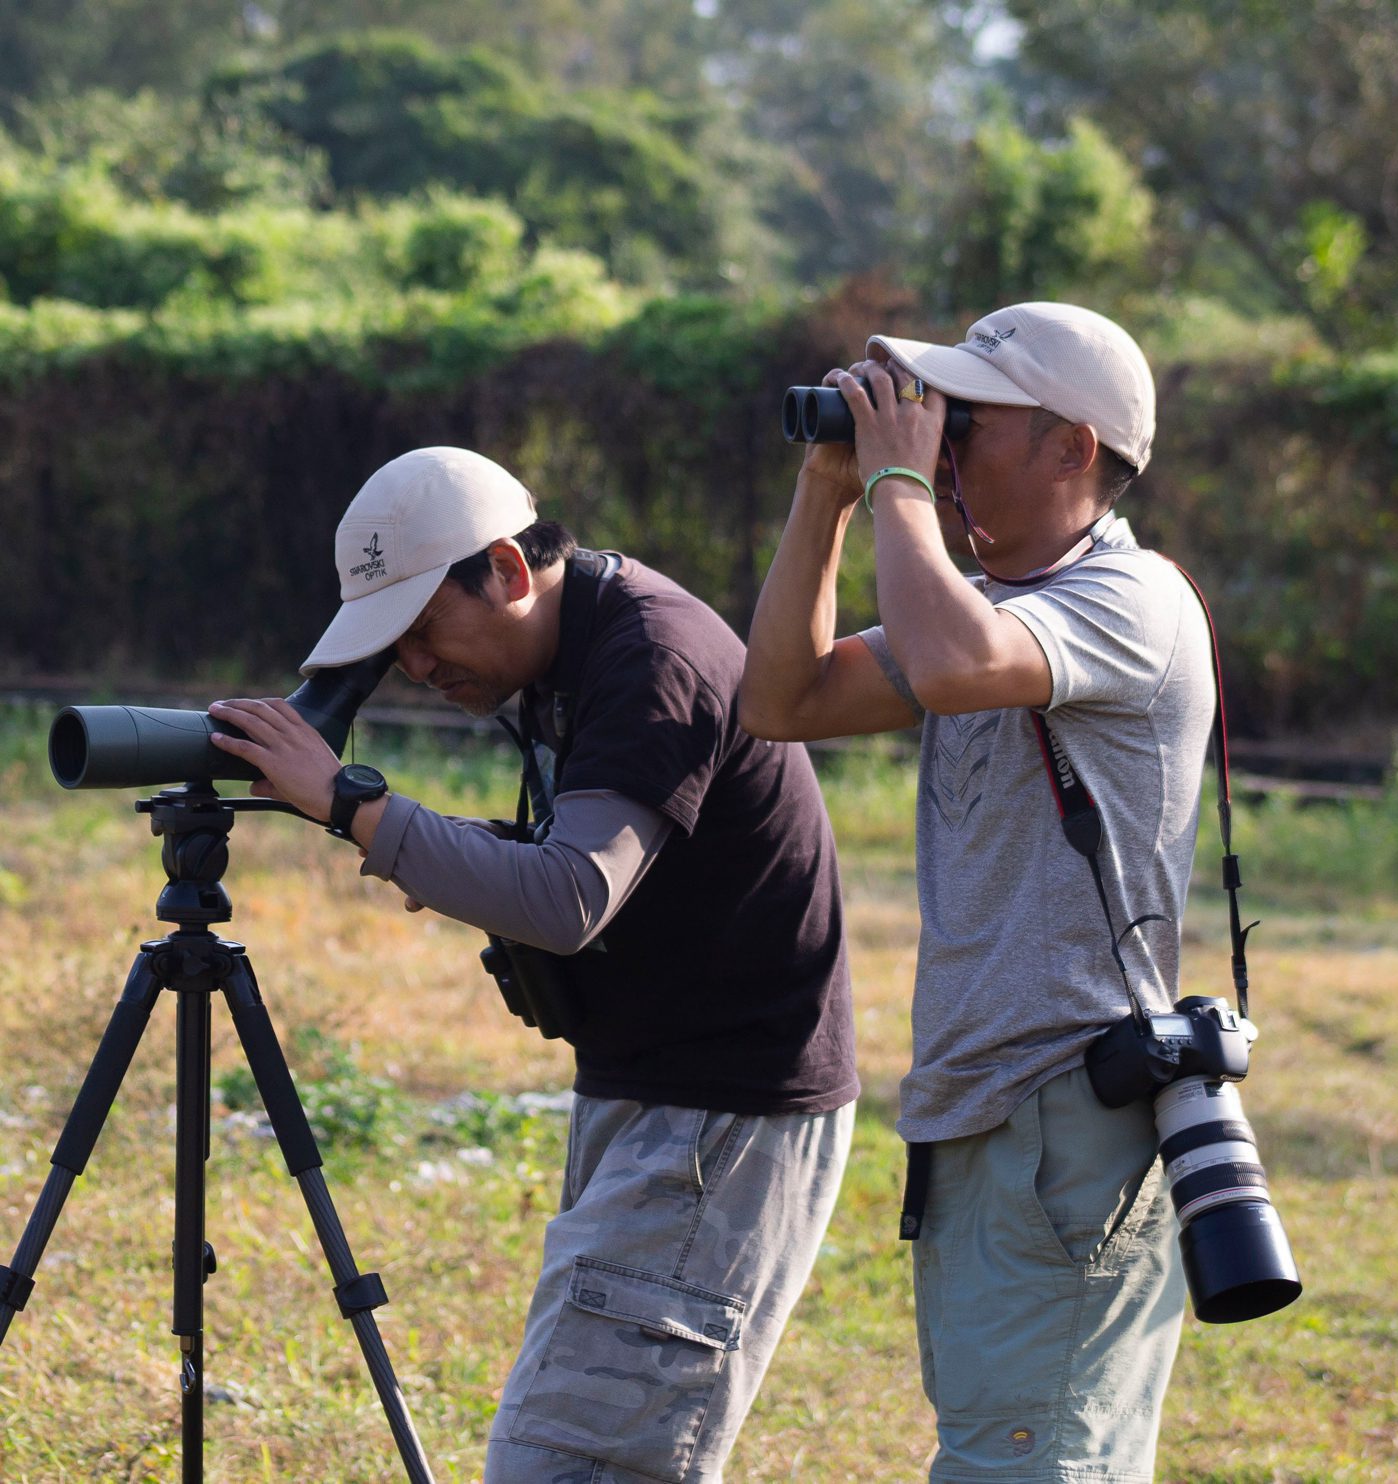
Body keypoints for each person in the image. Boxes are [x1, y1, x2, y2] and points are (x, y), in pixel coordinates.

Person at [207, 445, 859, 1484]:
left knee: (570, 1462)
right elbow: (577, 863)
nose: (417, 666)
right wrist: (451, 851)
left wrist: (349, 803)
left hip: (719, 1114)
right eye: (396, 646)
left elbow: (568, 897)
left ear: (509, 570)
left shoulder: (653, 653)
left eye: (423, 630)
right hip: (659, 1091)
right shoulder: (573, 648)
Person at [741, 302, 1213, 1481]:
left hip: (1066, 1122)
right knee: (1009, 1446)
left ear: (1074, 449)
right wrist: (829, 492)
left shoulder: (1132, 600)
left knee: (1029, 1460)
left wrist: (900, 481)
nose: (944, 449)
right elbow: (781, 701)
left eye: (969, 422)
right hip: (990, 1116)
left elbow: (954, 665)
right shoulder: (992, 606)